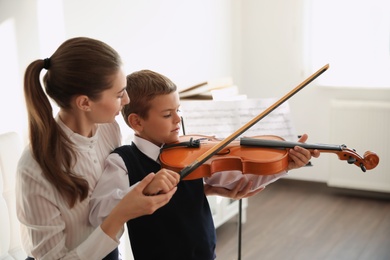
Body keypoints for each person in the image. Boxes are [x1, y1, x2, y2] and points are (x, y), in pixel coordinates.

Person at [89, 69, 320, 260]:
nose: (178, 119)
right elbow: (100, 211)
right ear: (137, 121)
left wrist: (285, 164)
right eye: (168, 114)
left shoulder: (190, 152)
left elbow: (239, 176)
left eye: (178, 110)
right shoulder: (122, 161)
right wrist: (142, 187)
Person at [16, 38, 179, 260]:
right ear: (84, 103)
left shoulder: (109, 129)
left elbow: (115, 188)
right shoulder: (34, 169)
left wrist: (201, 188)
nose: (127, 100)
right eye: (120, 94)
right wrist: (120, 215)